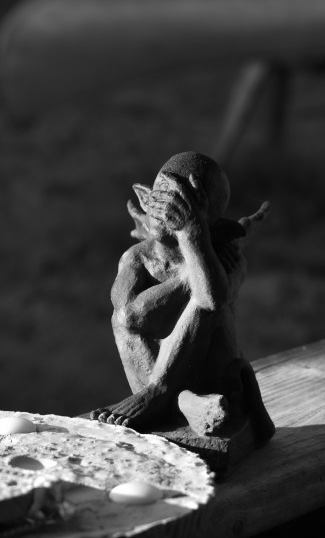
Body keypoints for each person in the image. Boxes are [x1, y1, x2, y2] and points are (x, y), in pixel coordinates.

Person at [90, 151, 274, 444]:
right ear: (145, 199)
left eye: (189, 205)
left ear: (210, 225)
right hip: (149, 378)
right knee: (121, 317)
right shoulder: (137, 259)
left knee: (208, 297)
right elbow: (131, 317)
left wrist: (191, 236)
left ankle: (169, 397)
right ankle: (179, 403)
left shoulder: (224, 262)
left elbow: (211, 301)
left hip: (213, 374)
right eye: (163, 197)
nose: (169, 210)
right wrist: (187, 278)